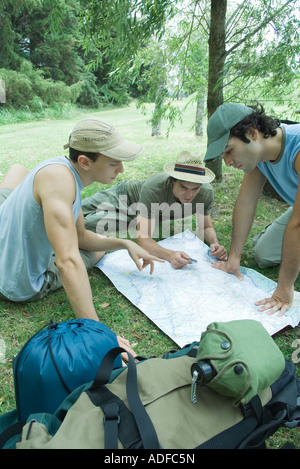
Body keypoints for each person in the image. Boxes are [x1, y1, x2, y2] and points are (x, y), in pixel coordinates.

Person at [0, 118, 163, 355]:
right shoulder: (60, 182)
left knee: (18, 170)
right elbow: (67, 261)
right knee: (96, 252)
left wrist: (125, 243)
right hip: (14, 284)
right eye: (113, 163)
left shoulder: (60, 170)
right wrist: (99, 334)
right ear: (85, 161)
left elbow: (81, 237)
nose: (121, 170)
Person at [204, 102, 300, 316]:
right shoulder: (260, 156)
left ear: (252, 132)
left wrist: (284, 289)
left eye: (229, 151)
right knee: (264, 254)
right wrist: (234, 259)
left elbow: (298, 224)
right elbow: (246, 202)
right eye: (223, 157)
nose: (228, 162)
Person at [82, 150, 227, 269]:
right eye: (183, 187)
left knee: (86, 225)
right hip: (126, 197)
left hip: (138, 216)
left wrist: (215, 243)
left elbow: (206, 226)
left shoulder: (206, 193)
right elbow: (143, 239)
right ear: (172, 181)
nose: (189, 195)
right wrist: (170, 255)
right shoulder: (154, 187)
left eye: (195, 189)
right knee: (75, 209)